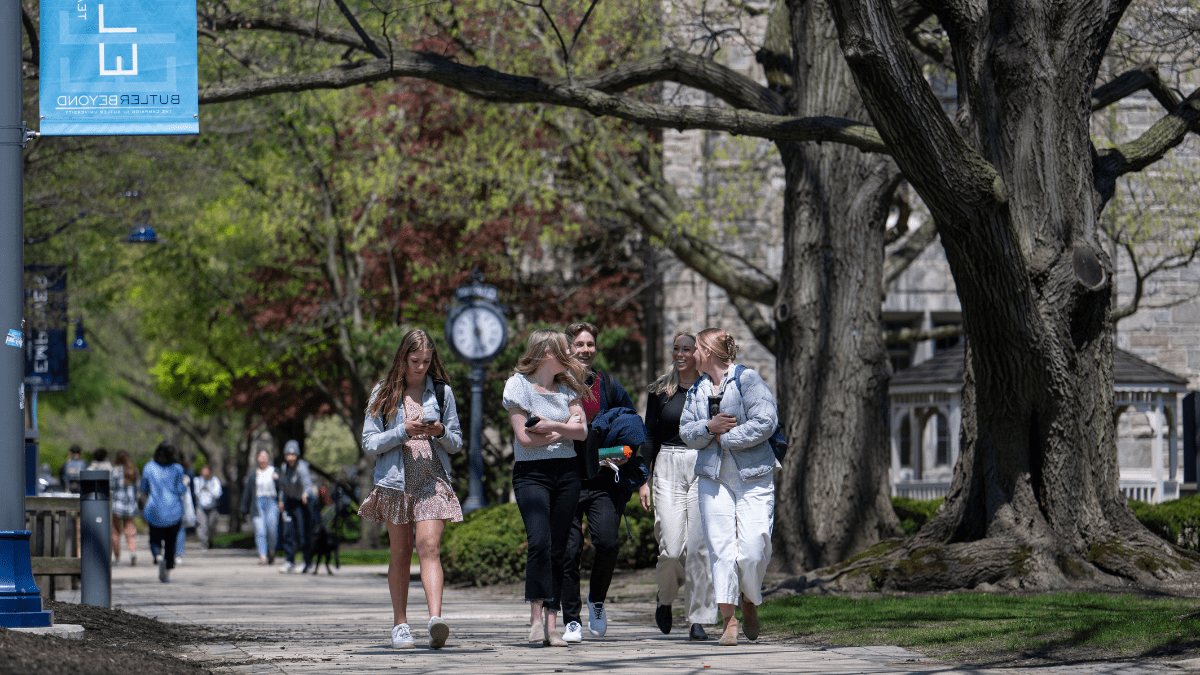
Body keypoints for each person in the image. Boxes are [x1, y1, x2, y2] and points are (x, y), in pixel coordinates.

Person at [361, 329, 465, 650]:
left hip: (432, 480)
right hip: (396, 482)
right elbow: (369, 441)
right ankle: (400, 624)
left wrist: (440, 430)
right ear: (403, 358)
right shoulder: (384, 392)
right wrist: (401, 431)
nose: (420, 367)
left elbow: (457, 441)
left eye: (426, 361)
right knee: (401, 554)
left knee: (429, 548)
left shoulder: (442, 393)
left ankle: (435, 620)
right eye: (414, 360)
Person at [679, 328, 777, 646]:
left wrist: (727, 438)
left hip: (755, 477)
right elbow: (686, 431)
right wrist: (709, 426)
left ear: (708, 351)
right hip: (713, 478)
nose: (690, 355)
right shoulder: (698, 389)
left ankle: (749, 598)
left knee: (754, 549)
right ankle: (729, 620)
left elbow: (766, 420)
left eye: (695, 349)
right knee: (721, 550)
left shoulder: (747, 380)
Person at [503, 329, 590, 648]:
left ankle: (554, 625)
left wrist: (552, 427)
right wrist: (565, 430)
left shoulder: (569, 385)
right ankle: (535, 620)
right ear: (545, 353)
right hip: (531, 474)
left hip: (566, 473)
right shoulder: (517, 385)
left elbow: (581, 433)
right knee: (539, 543)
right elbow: (525, 438)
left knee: (560, 549)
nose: (570, 353)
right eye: (563, 349)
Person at [559, 321, 644, 644]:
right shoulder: (556, 384)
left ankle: (597, 601)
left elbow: (632, 424)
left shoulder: (606, 384)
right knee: (568, 552)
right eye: (579, 344)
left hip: (603, 479)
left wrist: (627, 454)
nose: (585, 350)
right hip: (566, 478)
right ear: (567, 349)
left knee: (608, 543)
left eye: (590, 344)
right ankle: (571, 619)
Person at [642, 331, 717, 641]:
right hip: (668, 465)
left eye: (688, 349)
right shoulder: (661, 391)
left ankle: (698, 618)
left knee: (700, 548)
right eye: (677, 348)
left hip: (701, 463)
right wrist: (643, 479)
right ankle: (665, 596)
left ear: (697, 353)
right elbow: (648, 437)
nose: (682, 353)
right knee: (671, 548)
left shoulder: (712, 389)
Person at [140, 442, 188, 583]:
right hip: (173, 510)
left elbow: (144, 487)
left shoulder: (149, 467)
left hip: (154, 509)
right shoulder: (178, 468)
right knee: (171, 542)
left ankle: (157, 556)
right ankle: (166, 572)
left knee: (154, 538)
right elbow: (181, 489)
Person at [278, 441, 316, 573]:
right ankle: (289, 561)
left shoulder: (301, 467)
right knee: (288, 533)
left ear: (297, 455)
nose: (290, 458)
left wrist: (305, 494)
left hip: (302, 504)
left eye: (293, 454)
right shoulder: (284, 467)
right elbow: (283, 486)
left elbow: (308, 484)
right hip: (289, 502)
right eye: (288, 454)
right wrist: (281, 500)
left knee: (302, 534)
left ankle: (307, 562)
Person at [240, 449, 281, 565]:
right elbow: (247, 492)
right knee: (260, 531)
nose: (262, 458)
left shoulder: (274, 472)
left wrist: (281, 501)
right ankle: (262, 556)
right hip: (257, 503)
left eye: (264, 456)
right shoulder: (253, 475)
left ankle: (271, 551)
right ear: (257, 459)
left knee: (272, 529)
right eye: (260, 456)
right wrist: (243, 509)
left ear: (268, 458)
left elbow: (281, 487)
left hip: (272, 502)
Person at [110, 450, 141, 566]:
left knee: (115, 532)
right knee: (130, 532)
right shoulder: (134, 470)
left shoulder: (115, 471)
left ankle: (117, 557)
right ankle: (133, 553)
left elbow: (111, 487)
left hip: (117, 505)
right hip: (130, 506)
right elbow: (138, 490)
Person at [193, 464, 223, 549]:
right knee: (202, 526)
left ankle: (210, 541)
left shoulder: (214, 481)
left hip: (212, 507)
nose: (205, 473)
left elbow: (217, 494)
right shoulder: (197, 480)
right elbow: (196, 493)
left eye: (207, 471)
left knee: (211, 526)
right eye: (203, 471)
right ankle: (203, 543)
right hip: (201, 507)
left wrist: (209, 490)